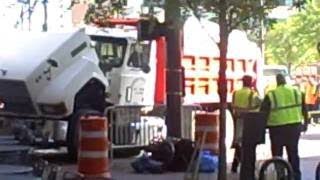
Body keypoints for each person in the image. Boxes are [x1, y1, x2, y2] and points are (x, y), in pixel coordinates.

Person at [260, 74, 307, 180]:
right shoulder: (296, 92)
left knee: (277, 154)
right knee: (293, 152)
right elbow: (304, 108)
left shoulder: (271, 94)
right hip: (294, 126)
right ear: (285, 81)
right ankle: (296, 176)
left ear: (277, 82)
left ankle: (281, 175)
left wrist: (262, 129)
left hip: (277, 128)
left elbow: (263, 113)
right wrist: (306, 123)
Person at [230, 75, 261, 173]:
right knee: (249, 145)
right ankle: (249, 165)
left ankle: (235, 165)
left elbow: (233, 106)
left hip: (238, 120)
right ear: (251, 82)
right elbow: (260, 103)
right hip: (249, 121)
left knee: (239, 143)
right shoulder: (252, 94)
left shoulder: (236, 93)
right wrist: (256, 90)